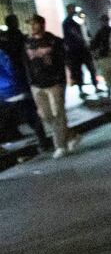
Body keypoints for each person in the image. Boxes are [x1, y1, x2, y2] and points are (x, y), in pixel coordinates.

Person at [24, 16, 74, 158]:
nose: (32, 27)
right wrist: (30, 81)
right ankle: (70, 135)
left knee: (58, 113)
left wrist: (69, 76)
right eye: (30, 24)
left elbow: (66, 59)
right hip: (36, 85)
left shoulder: (54, 41)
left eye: (35, 24)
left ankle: (60, 145)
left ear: (42, 24)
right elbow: (26, 64)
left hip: (54, 83)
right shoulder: (27, 43)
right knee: (45, 115)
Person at [0, 13, 46, 143]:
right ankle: (40, 138)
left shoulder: (6, 43)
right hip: (16, 85)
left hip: (10, 87)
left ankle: (39, 138)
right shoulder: (19, 40)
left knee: (24, 112)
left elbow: (11, 66)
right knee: (28, 111)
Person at [0, 40, 50, 153]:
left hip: (12, 89)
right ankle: (42, 140)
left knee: (29, 115)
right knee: (28, 115)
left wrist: (13, 81)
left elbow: (11, 67)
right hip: (8, 90)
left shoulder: (1, 53)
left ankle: (43, 141)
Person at [62, 4, 102, 99]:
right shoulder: (68, 22)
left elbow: (84, 33)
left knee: (90, 68)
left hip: (82, 49)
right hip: (76, 50)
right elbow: (75, 35)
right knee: (79, 71)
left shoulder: (76, 20)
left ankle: (94, 86)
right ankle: (82, 89)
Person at [89, 11, 111, 94]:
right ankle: (109, 88)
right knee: (107, 74)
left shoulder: (102, 32)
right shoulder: (104, 32)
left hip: (107, 55)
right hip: (107, 55)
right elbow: (94, 45)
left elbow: (94, 45)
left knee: (107, 74)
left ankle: (109, 88)